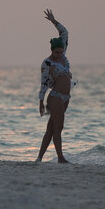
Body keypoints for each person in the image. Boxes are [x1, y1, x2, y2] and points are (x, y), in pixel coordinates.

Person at [36, 8, 72, 163]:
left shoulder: (63, 56)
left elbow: (64, 33)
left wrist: (53, 21)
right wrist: (41, 102)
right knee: (58, 127)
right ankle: (60, 158)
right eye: (57, 52)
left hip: (66, 97)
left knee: (51, 129)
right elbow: (44, 83)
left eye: (61, 51)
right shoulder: (47, 63)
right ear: (52, 50)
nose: (59, 54)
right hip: (55, 97)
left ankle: (39, 158)